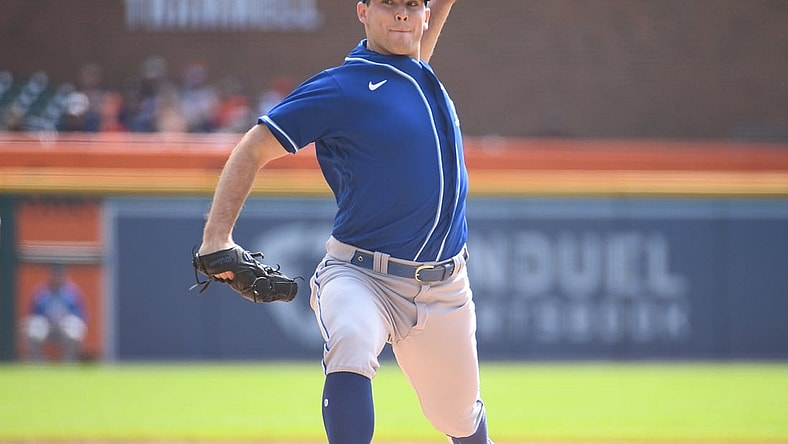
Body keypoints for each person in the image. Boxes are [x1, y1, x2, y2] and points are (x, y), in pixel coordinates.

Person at [197, 1, 492, 443]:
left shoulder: (416, 72)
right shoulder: (343, 88)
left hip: (445, 288)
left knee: (459, 418)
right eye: (388, 4)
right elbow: (253, 147)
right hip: (360, 274)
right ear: (363, 11)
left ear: (425, 14)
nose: (401, 15)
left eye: (411, 5)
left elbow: (419, 33)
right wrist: (215, 238)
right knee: (352, 341)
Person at [23, 264, 87, 362]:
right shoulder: (41, 291)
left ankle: (69, 365)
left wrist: (64, 319)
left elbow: (80, 315)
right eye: (55, 274)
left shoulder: (73, 292)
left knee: (74, 330)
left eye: (60, 274)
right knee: (32, 330)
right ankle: (37, 365)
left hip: (65, 325)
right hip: (46, 324)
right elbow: (33, 314)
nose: (57, 276)